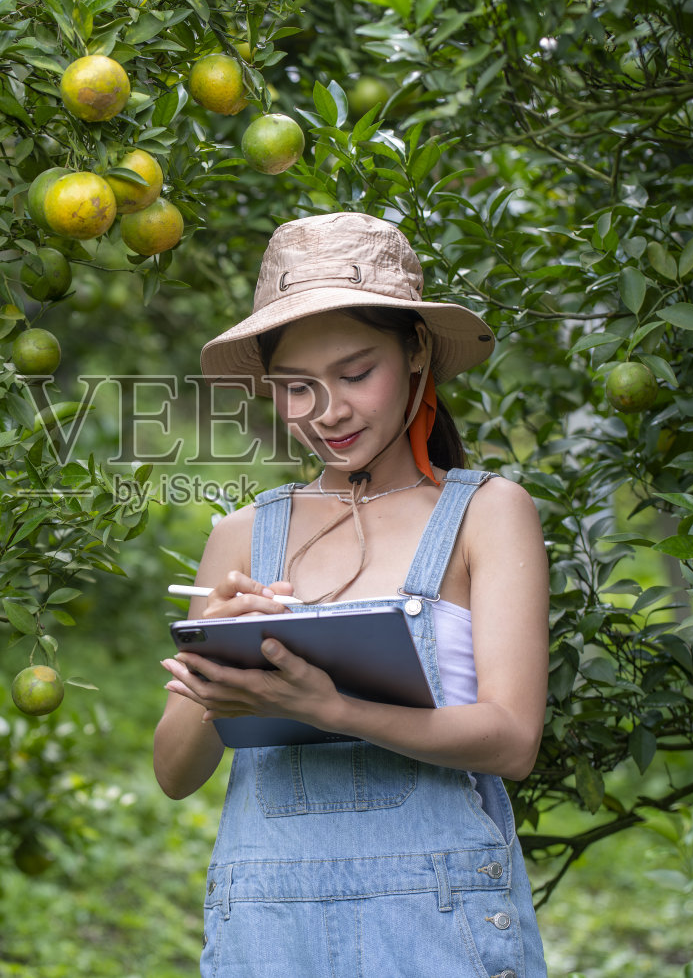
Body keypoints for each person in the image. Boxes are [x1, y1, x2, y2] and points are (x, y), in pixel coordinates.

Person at [153, 212, 551, 978]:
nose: (326, 411)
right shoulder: (242, 535)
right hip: (268, 932)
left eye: (354, 373)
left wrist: (327, 706)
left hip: (439, 924)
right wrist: (215, 681)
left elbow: (511, 739)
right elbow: (174, 773)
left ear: (416, 353)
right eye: (297, 387)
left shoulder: (485, 513)